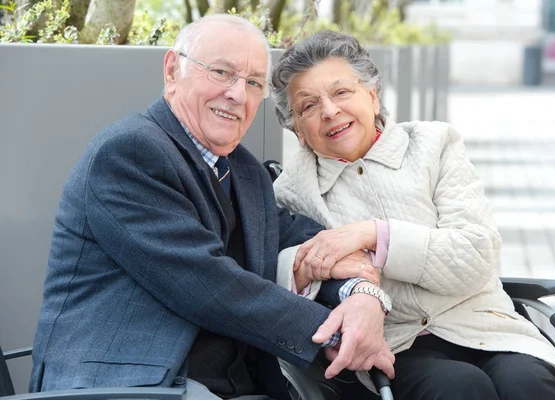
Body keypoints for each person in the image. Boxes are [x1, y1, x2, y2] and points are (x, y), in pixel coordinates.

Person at [29, 16, 396, 400]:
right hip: (133, 384)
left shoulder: (245, 170)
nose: (238, 94)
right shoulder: (130, 152)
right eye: (222, 72)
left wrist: (361, 296)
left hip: (234, 385)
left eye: (253, 83)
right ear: (172, 70)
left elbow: (305, 241)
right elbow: (205, 282)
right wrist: (335, 330)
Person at [270, 30, 555, 400]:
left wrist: (373, 235)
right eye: (308, 106)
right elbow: (289, 269)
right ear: (298, 131)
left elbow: (477, 254)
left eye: (341, 92)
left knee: (527, 385)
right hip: (396, 347)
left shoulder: (434, 146)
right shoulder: (292, 191)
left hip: (486, 324)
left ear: (372, 94)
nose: (330, 111)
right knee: (459, 388)